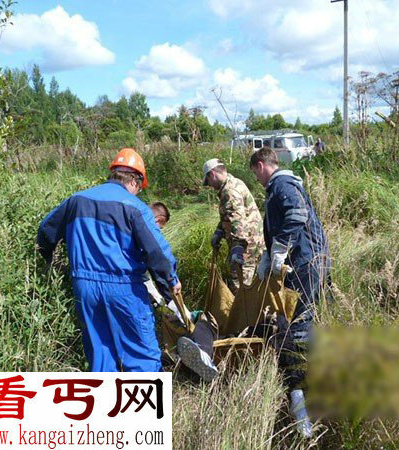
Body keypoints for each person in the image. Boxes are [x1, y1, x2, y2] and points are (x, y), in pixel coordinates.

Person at [37, 148, 181, 372]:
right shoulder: (135, 208)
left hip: (84, 288)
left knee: (101, 356)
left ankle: (107, 405)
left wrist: (49, 263)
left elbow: (45, 233)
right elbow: (158, 254)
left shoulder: (76, 200)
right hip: (124, 289)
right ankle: (144, 406)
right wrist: (170, 283)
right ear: (134, 181)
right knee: (141, 356)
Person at [249, 147, 330, 438]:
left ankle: (302, 390)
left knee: (298, 325)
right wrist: (268, 255)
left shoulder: (283, 184)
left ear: (261, 166)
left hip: (306, 264)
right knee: (301, 323)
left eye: (254, 173)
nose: (256, 179)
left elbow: (296, 215)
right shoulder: (277, 188)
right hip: (303, 263)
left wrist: (280, 249)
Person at [146, 201, 218, 382]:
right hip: (164, 299)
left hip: (144, 293)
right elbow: (162, 261)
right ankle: (203, 353)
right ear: (159, 220)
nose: (160, 231)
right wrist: (172, 282)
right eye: (161, 227)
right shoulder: (148, 231)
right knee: (202, 319)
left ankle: (195, 354)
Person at [202, 158, 263, 293]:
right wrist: (219, 231)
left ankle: (244, 313)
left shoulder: (229, 191)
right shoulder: (234, 183)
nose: (210, 186)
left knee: (240, 287)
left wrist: (238, 247)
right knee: (253, 284)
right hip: (254, 241)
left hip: (247, 246)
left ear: (212, 174)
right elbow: (230, 216)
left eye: (208, 182)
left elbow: (238, 220)